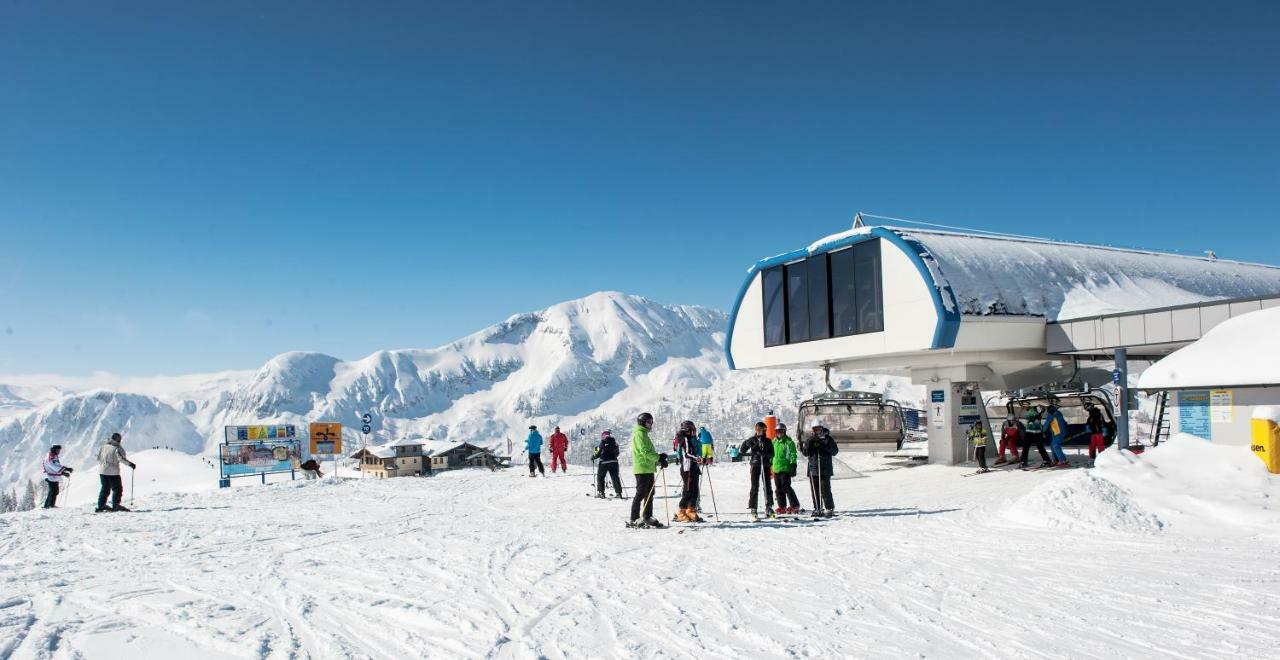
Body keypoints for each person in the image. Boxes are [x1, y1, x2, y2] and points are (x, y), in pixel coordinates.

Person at [628, 412, 668, 528]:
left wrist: (659, 458)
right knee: (640, 494)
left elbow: (648, 452)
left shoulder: (644, 434)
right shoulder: (639, 434)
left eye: (652, 422)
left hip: (648, 468)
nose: (651, 424)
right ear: (642, 422)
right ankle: (634, 518)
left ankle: (647, 516)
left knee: (650, 494)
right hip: (642, 469)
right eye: (649, 422)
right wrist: (657, 458)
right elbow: (644, 452)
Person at [739, 422, 775, 520]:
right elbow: (742, 451)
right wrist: (746, 443)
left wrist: (765, 454)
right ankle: (753, 508)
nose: (758, 431)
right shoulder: (752, 439)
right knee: (755, 486)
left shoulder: (768, 441)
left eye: (760, 429)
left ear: (764, 430)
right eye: (757, 429)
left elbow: (772, 454)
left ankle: (769, 507)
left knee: (767, 486)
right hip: (755, 464)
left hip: (766, 465)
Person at [801, 425, 838, 517]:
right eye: (815, 430)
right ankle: (817, 507)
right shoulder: (811, 439)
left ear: (822, 429)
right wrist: (809, 444)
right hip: (813, 468)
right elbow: (805, 453)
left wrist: (824, 447)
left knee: (825, 489)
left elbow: (835, 451)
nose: (817, 432)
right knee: (815, 490)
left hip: (825, 468)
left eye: (819, 430)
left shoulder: (828, 439)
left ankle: (829, 508)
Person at [673, 421, 705, 523]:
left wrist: (701, 458)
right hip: (687, 468)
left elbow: (696, 452)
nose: (694, 432)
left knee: (695, 490)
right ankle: (681, 512)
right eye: (693, 430)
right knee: (688, 490)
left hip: (694, 467)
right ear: (687, 430)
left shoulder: (692, 439)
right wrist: (697, 458)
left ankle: (690, 510)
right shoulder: (685, 439)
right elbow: (687, 454)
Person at [96, 432, 136, 512]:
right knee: (117, 488)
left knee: (105, 488)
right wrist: (130, 464)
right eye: (119, 439)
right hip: (113, 472)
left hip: (102, 471)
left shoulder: (104, 446)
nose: (119, 441)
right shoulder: (116, 448)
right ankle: (116, 505)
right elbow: (121, 459)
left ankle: (101, 505)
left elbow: (97, 457)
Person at [771, 423, 800, 514]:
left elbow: (793, 454)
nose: (780, 433)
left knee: (786, 487)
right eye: (778, 431)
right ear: (776, 432)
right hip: (776, 468)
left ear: (784, 431)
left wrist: (793, 465)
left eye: (781, 431)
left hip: (785, 468)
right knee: (778, 488)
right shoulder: (774, 442)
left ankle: (794, 505)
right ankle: (782, 506)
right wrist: (770, 463)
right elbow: (771, 455)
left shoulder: (789, 442)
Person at [593, 430, 623, 498]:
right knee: (615, 477)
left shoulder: (602, 442)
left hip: (604, 462)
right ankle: (618, 493)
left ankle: (601, 493)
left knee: (600, 477)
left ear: (603, 436)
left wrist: (593, 457)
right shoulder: (615, 443)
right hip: (614, 462)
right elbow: (617, 453)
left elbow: (598, 453)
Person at [1046, 403, 1070, 468]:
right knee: (1052, 445)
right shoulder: (1058, 413)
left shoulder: (1051, 414)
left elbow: (1046, 424)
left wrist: (1042, 430)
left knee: (1055, 445)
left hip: (1058, 433)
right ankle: (1056, 460)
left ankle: (1062, 460)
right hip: (1056, 433)